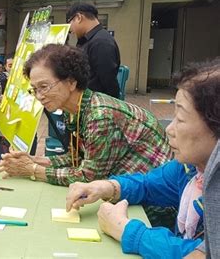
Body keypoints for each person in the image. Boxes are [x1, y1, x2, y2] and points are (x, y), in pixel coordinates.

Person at [0, 44, 172, 225]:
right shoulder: (73, 109)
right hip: (125, 194)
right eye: (34, 89)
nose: (39, 96)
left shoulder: (100, 116)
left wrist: (32, 171)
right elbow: (78, 158)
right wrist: (34, 160)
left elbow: (88, 176)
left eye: (44, 86)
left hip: (152, 208)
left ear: (72, 82)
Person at [65, 58, 220, 258]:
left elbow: (204, 254)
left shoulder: (99, 113)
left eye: (180, 119)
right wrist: (106, 187)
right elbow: (148, 184)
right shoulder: (191, 169)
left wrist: (124, 229)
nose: (170, 129)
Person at [66, 2, 120, 98]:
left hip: (98, 105)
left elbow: (109, 82)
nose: (71, 30)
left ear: (78, 17)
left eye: (70, 22)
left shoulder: (101, 42)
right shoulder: (88, 40)